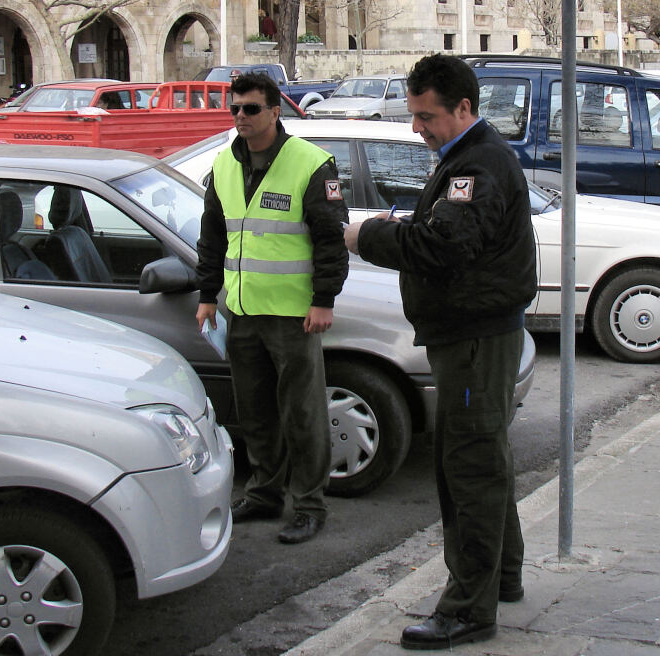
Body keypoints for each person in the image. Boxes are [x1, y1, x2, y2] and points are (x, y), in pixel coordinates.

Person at [343, 54, 536, 650]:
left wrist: (367, 235)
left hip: (475, 340)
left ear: (464, 109)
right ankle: (499, 578)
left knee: (469, 472)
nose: (416, 128)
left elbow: (445, 244)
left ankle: (468, 610)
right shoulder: (469, 158)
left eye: (426, 117)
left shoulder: (475, 164)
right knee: (484, 461)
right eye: (413, 115)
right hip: (473, 336)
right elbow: (451, 234)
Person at [195, 72, 349, 545]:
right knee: (256, 413)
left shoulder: (310, 163)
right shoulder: (223, 165)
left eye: (251, 108)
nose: (241, 116)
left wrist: (323, 300)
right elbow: (212, 236)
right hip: (242, 312)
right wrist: (207, 296)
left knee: (302, 415)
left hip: (293, 316)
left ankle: (308, 504)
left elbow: (331, 241)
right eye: (235, 108)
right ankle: (264, 493)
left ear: (275, 112)